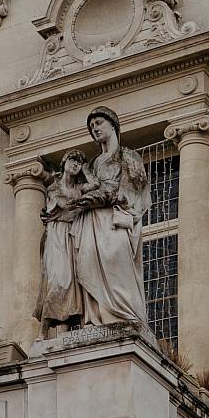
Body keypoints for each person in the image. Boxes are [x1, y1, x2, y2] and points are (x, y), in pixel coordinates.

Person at [71, 106, 151, 327]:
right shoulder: (94, 164)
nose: (94, 129)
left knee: (116, 260)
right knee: (87, 262)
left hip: (115, 221)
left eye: (98, 123)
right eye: (91, 127)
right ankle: (99, 319)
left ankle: (125, 316)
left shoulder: (128, 156)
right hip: (91, 223)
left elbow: (132, 191)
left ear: (113, 124)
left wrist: (99, 196)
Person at [35, 151, 97, 335]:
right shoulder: (54, 188)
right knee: (58, 282)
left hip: (72, 235)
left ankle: (64, 334)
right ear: (64, 163)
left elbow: (96, 184)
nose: (76, 164)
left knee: (73, 284)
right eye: (72, 160)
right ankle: (42, 332)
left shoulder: (80, 187)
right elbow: (66, 205)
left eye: (79, 162)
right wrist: (87, 201)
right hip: (56, 235)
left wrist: (86, 169)